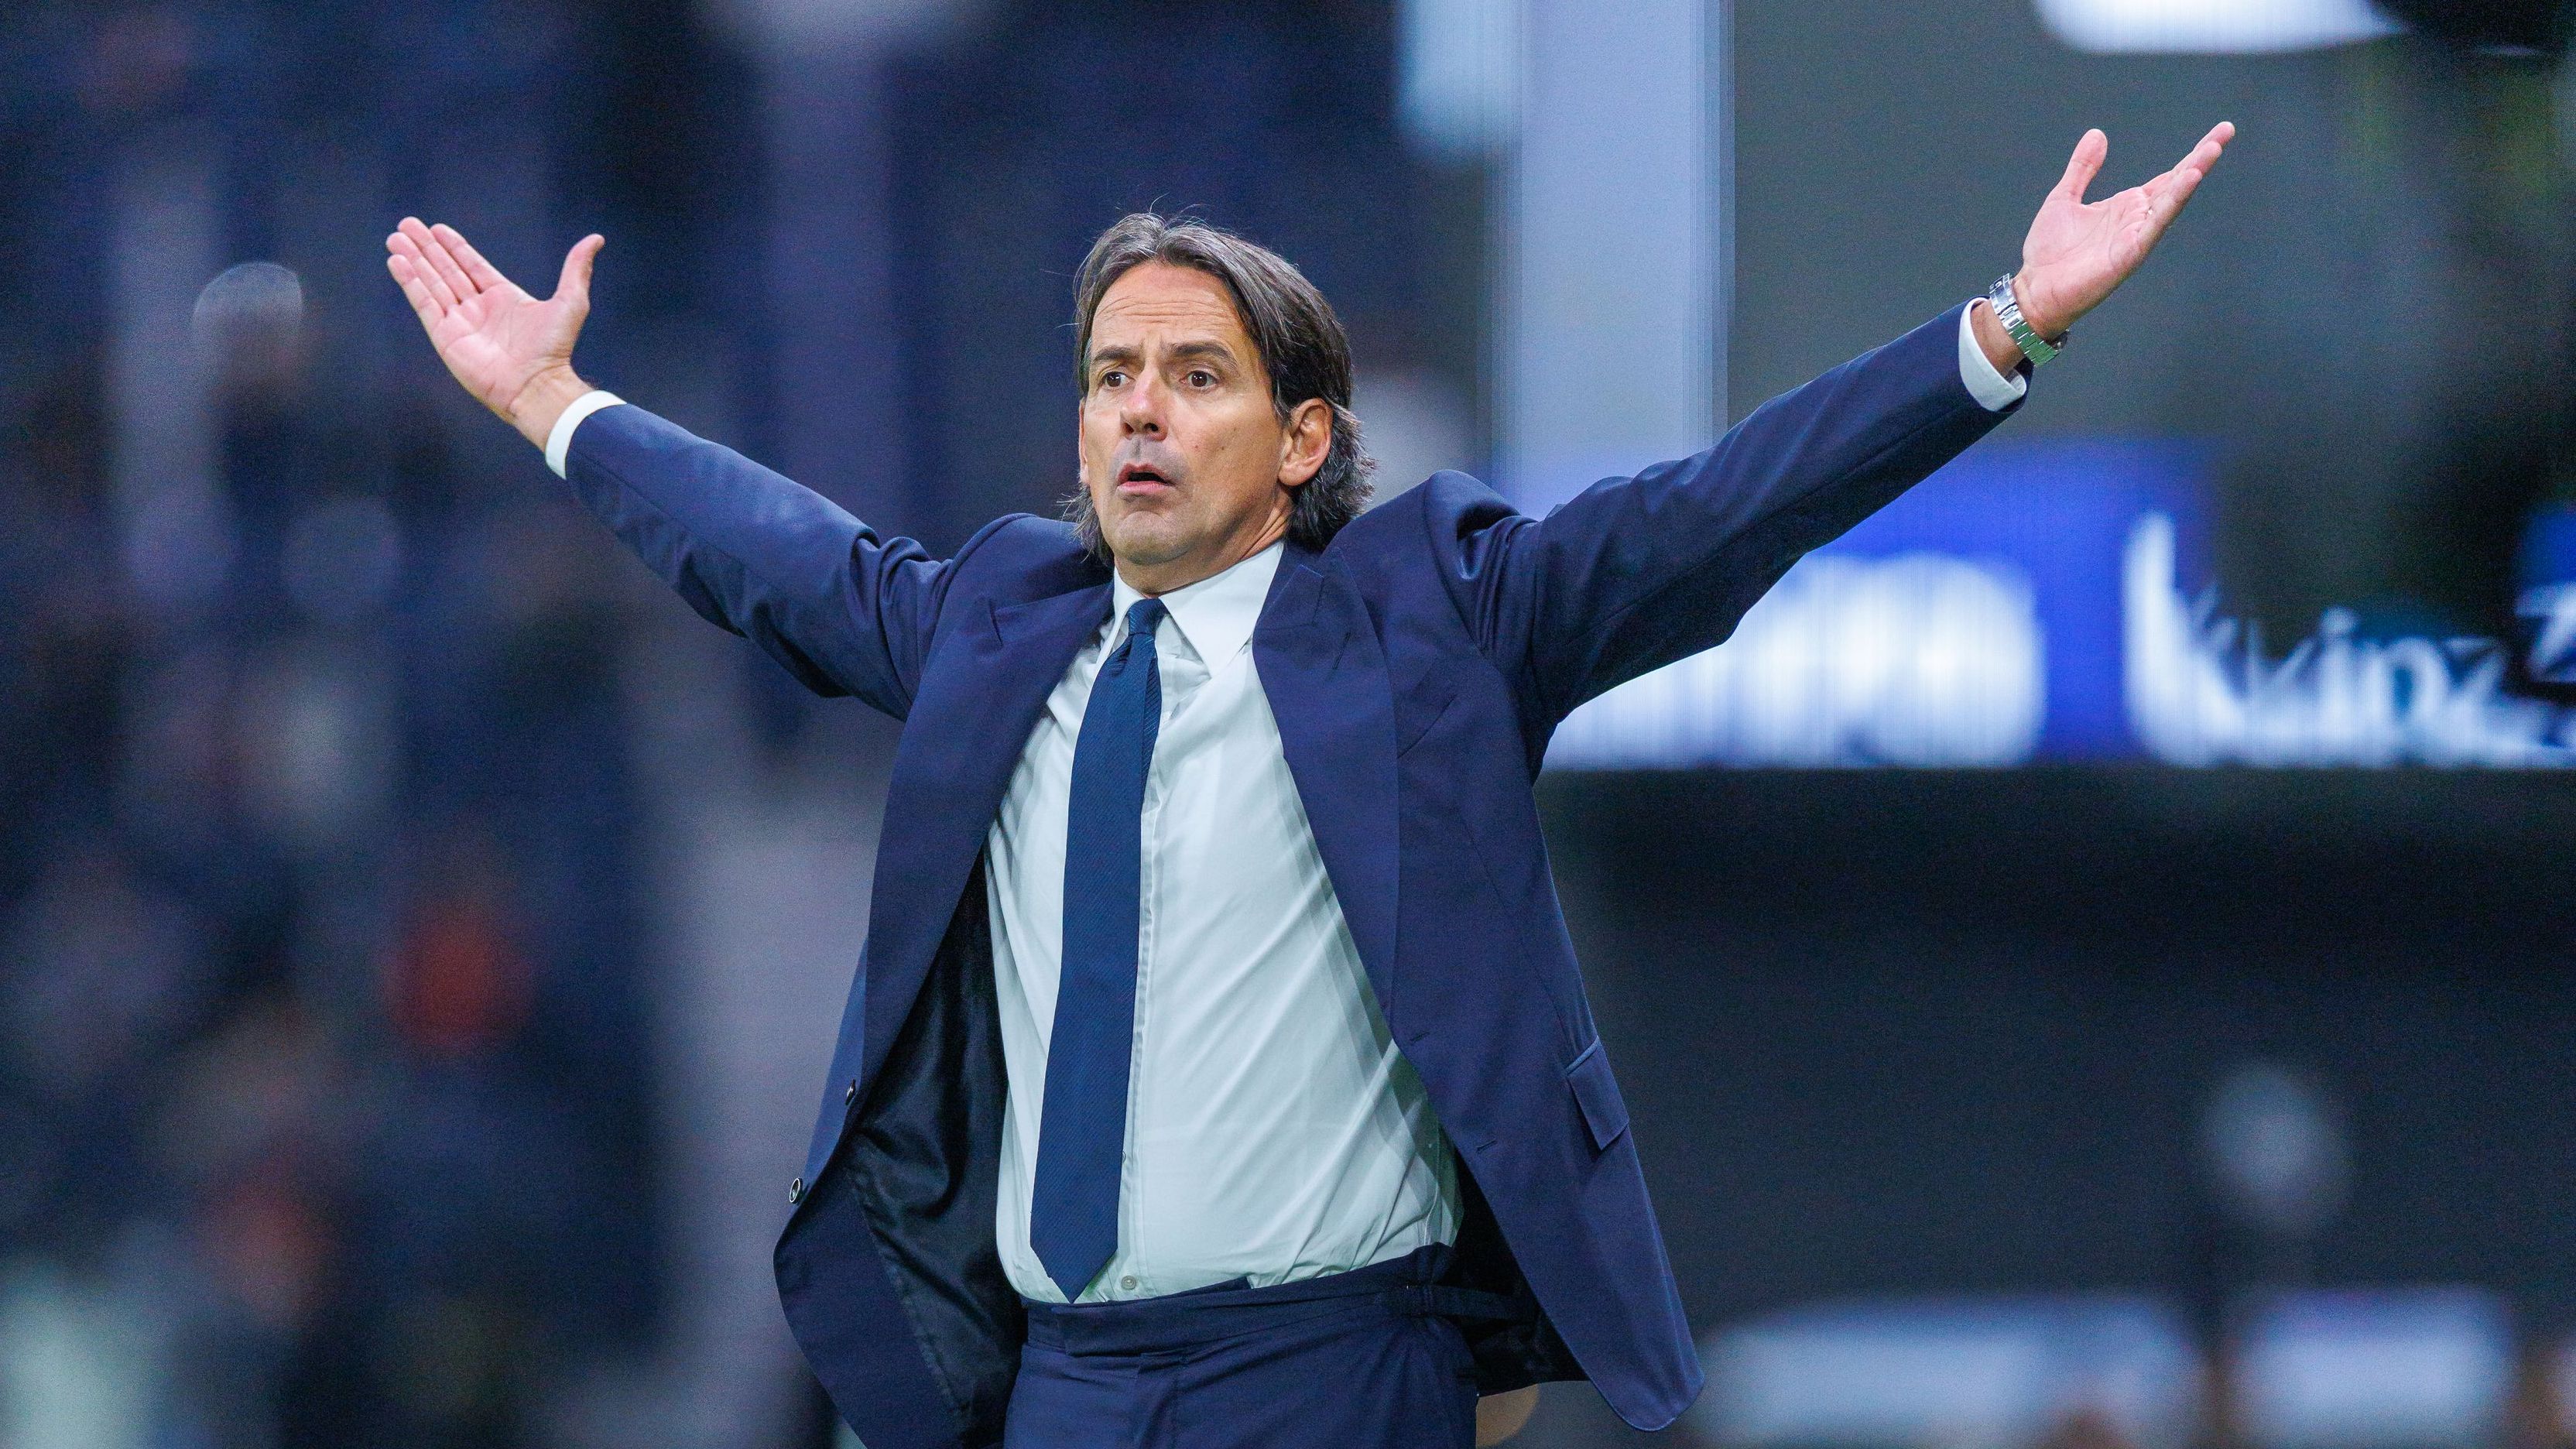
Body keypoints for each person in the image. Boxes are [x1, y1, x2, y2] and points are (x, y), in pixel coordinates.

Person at [385, 119, 2232, 1449]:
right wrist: (559, 405)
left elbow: (1714, 515)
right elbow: (775, 556)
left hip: (1332, 1374)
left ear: (1302, 438)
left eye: (1194, 377)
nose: (1136, 411)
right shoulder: (999, 627)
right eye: (1111, 375)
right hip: (1068, 1380)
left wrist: (1998, 333)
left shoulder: (1437, 614)